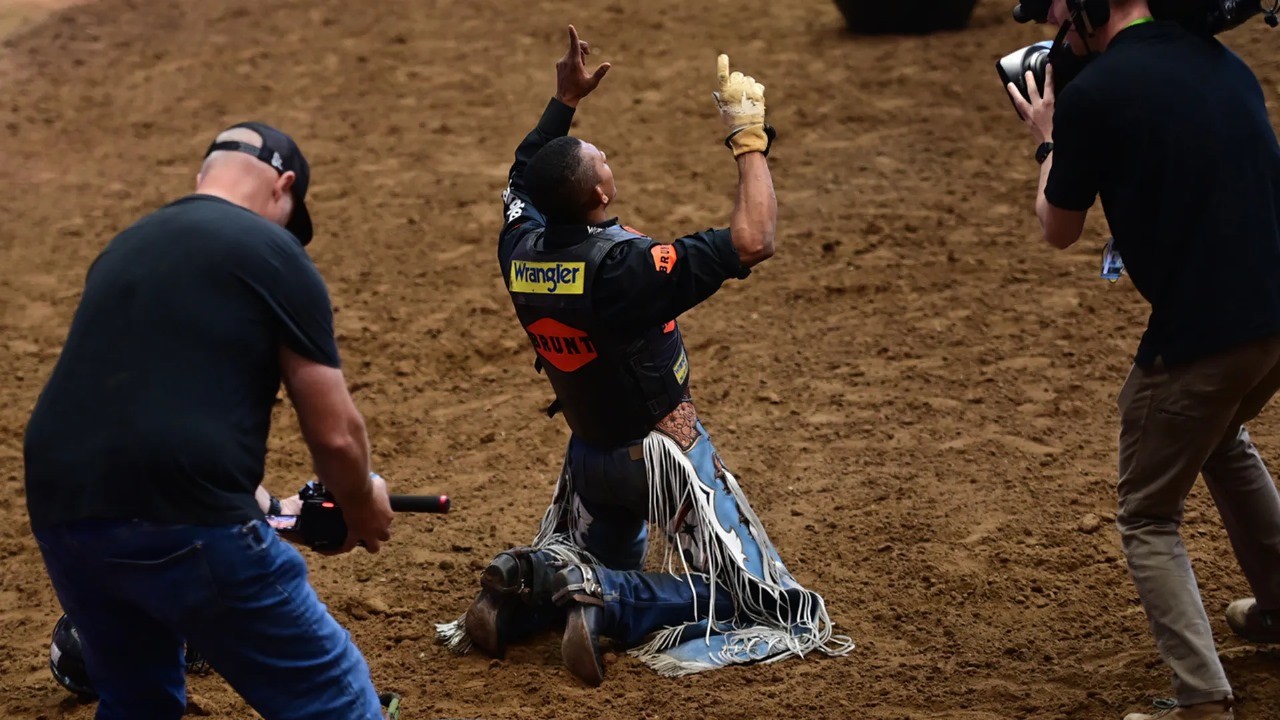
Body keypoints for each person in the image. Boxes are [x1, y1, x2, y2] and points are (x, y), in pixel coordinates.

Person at [436, 25, 851, 685]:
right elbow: (755, 238)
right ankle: (611, 602)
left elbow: (524, 169)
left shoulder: (520, 248)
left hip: (588, 461)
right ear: (599, 194)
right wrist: (748, 137)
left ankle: (518, 595)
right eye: (595, 154)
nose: (601, 151)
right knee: (760, 598)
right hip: (661, 456)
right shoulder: (628, 268)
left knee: (597, 558)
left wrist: (563, 102)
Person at [24, 122, 398, 720]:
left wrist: (275, 509)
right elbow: (333, 432)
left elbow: (136, 414)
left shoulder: (125, 248)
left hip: (65, 512)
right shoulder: (273, 252)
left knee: (137, 701)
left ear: (204, 176)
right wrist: (359, 500)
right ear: (284, 186)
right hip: (188, 514)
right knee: (336, 697)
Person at [1007, 1, 1280, 718]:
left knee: (1149, 513)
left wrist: (1049, 141)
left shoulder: (1097, 95)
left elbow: (1057, 228)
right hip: (1275, 317)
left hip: (1204, 332)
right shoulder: (1222, 63)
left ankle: (1200, 699)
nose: (1059, 34)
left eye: (1064, 18)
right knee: (1219, 438)